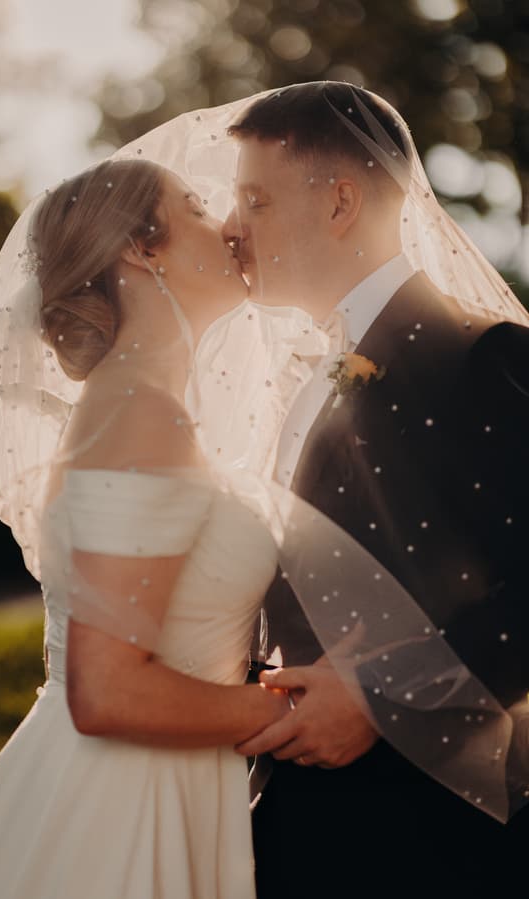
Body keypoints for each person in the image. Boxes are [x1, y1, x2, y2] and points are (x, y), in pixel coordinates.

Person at [0, 157, 292, 899]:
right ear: (142, 247)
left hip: (151, 779)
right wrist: (290, 711)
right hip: (127, 805)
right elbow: (107, 693)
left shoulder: (136, 401)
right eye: (195, 204)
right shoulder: (139, 412)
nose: (225, 223)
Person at [221, 81, 529, 896]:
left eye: (254, 198)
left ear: (340, 204)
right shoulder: (312, 368)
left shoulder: (483, 357)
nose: (230, 228)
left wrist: (377, 698)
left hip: (424, 839)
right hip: (310, 818)